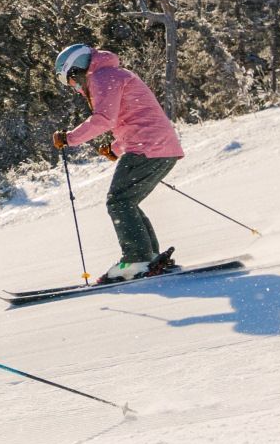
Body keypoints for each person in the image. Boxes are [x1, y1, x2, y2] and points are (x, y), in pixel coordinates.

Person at [52, 42, 186, 281]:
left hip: (148, 147)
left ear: (76, 69)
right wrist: (115, 148)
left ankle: (138, 258)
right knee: (127, 201)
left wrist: (69, 138)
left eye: (69, 81)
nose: (73, 88)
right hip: (160, 147)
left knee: (119, 201)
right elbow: (132, 118)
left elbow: (104, 119)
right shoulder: (113, 74)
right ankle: (148, 257)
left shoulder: (102, 77)